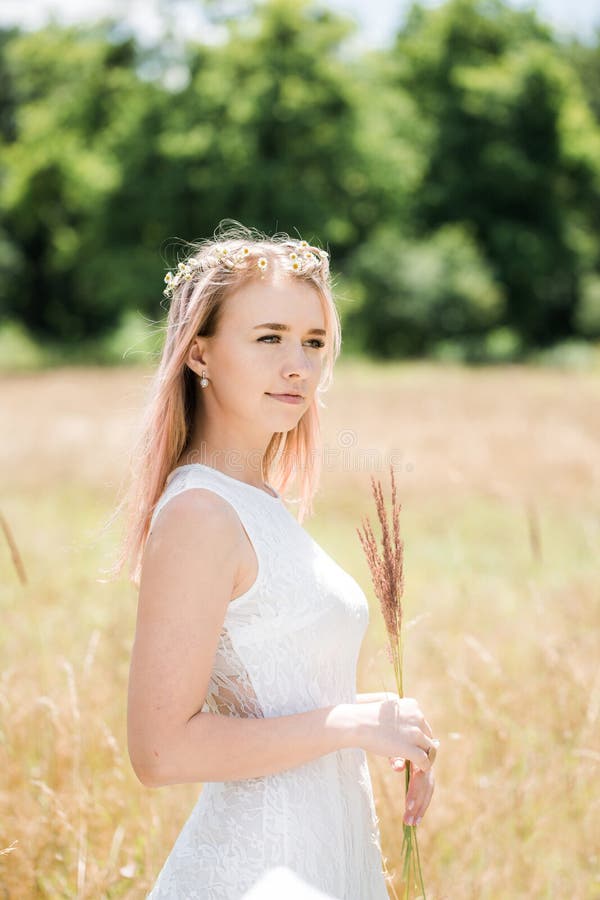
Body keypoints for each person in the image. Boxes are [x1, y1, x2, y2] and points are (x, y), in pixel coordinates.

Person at [119, 221, 437, 898]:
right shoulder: (201, 512)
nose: (299, 365)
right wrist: (348, 723)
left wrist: (380, 720)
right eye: (269, 338)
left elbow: (283, 699)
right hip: (260, 873)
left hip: (328, 854)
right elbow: (159, 751)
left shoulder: (260, 503)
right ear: (199, 353)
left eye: (314, 342)